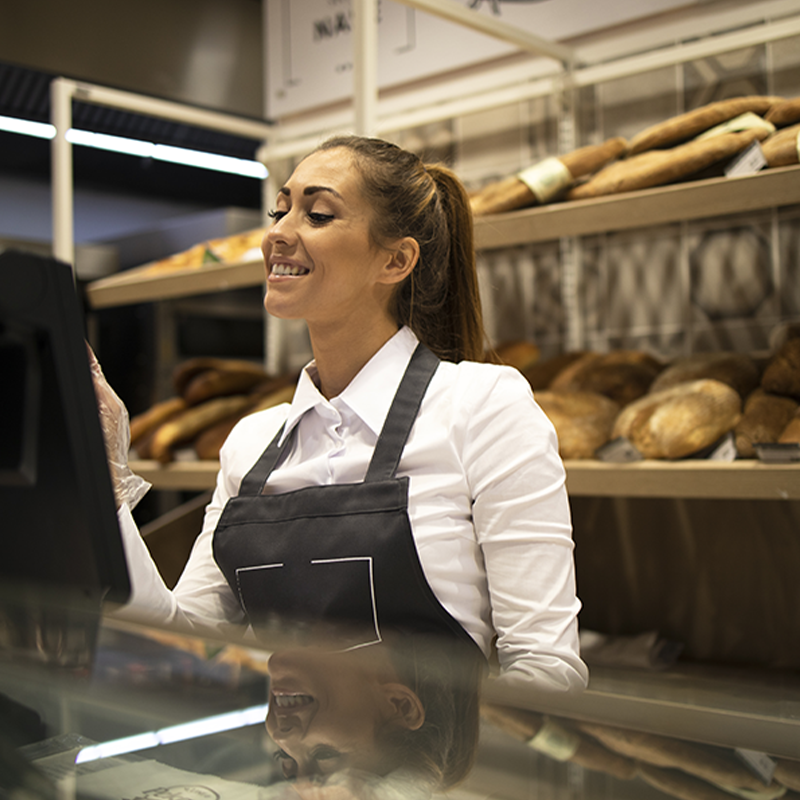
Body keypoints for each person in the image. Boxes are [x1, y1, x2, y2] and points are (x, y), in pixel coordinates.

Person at [97, 134, 588, 696]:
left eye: (318, 214)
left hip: (442, 778)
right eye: (279, 210)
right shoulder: (251, 441)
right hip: (296, 770)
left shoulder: (482, 405)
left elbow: (547, 665)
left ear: (396, 259)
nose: (277, 233)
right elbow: (182, 639)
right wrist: (105, 475)